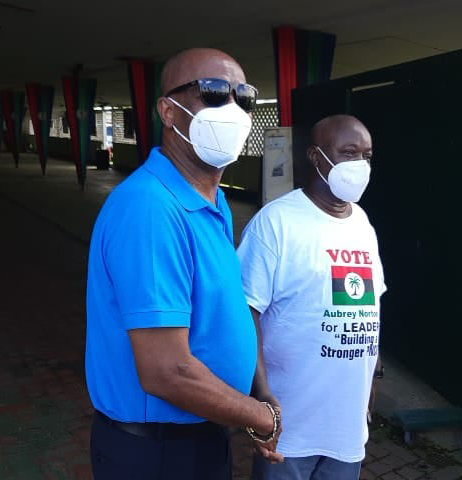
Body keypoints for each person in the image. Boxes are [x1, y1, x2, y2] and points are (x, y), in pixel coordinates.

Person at [85, 48, 282, 480]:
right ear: (168, 112)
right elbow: (166, 370)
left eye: (242, 96)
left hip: (200, 436)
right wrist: (259, 416)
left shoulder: (214, 199)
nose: (231, 108)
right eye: (212, 93)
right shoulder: (151, 208)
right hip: (157, 454)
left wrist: (256, 392)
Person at [237, 115, 386, 480]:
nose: (359, 165)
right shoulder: (275, 223)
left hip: (346, 428)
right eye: (348, 152)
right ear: (316, 157)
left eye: (366, 155)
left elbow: (371, 307)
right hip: (289, 427)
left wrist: (373, 381)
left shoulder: (363, 224)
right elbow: (244, 313)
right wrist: (259, 399)